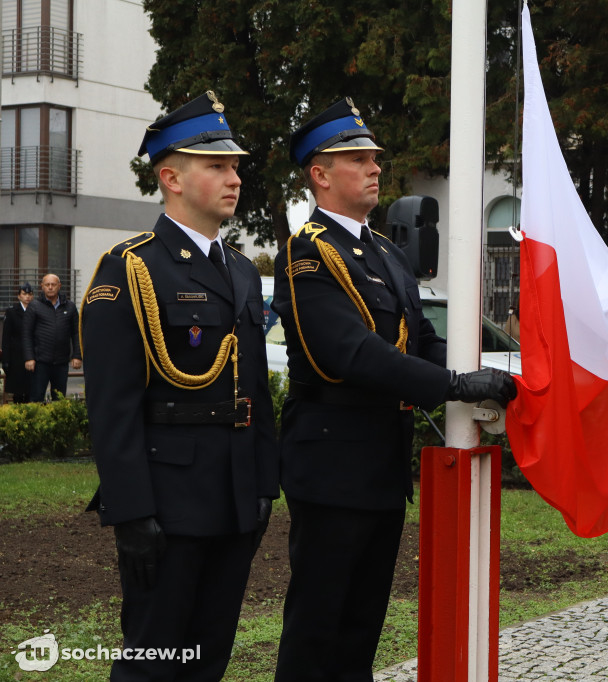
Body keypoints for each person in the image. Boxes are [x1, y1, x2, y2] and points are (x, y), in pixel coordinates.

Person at [273, 97, 517, 681]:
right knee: (317, 627)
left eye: (375, 157)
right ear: (320, 174)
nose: (375, 167)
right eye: (358, 158)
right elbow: (352, 354)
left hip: (380, 465)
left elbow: (418, 338)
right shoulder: (308, 253)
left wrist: (486, 371)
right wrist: (454, 385)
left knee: (361, 628)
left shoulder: (384, 252)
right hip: (331, 464)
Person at [79, 91, 278, 680]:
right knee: (154, 659)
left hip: (236, 495)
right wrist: (131, 512)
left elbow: (254, 388)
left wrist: (266, 483)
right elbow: (111, 406)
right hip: (168, 499)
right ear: (171, 177)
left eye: (235, 166)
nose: (233, 178)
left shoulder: (241, 269)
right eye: (215, 166)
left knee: (209, 657)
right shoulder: (131, 267)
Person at [22, 273, 82, 401]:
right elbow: (26, 334)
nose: (50, 287)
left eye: (53, 285)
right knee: (36, 399)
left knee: (59, 400)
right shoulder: (34, 306)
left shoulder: (69, 306)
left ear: (59, 286)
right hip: (39, 362)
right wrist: (29, 357)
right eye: (47, 285)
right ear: (42, 286)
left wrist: (77, 355)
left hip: (61, 362)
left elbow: (77, 333)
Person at [2, 283, 35, 403]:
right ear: (19, 296)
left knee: (31, 391)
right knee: (18, 392)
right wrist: (6, 359)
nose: (27, 297)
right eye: (24, 294)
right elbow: (6, 337)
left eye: (30, 294)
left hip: (32, 355)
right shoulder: (12, 312)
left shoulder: (36, 310)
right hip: (16, 357)